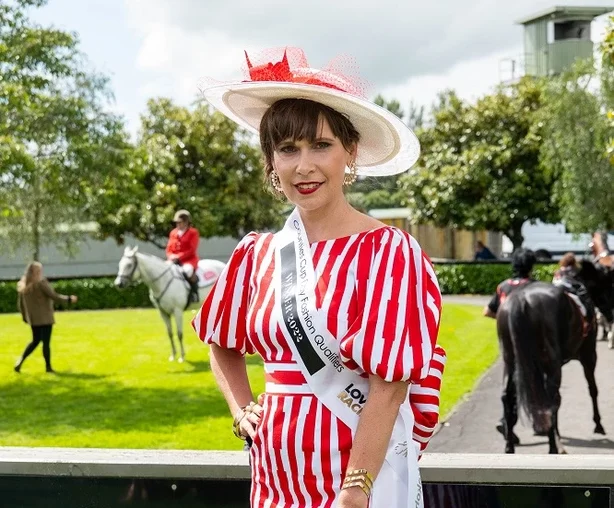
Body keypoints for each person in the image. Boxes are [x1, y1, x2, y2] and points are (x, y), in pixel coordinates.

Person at [191, 47, 446, 508]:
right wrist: (241, 409)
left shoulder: (389, 252)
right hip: (273, 479)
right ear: (272, 162)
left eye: (321, 146)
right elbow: (221, 341)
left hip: (357, 482)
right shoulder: (257, 254)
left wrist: (356, 488)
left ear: (350, 153)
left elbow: (390, 388)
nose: (303, 166)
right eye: (287, 150)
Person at [483, 248, 537, 444]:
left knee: (509, 384)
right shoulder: (535, 287)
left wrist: (505, 321)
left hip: (508, 344)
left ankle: (506, 421)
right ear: (531, 266)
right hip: (530, 344)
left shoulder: (503, 287)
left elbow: (487, 311)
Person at [14, 261, 77, 373]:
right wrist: (69, 299)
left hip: (34, 319)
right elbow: (54, 296)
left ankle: (20, 361)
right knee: (46, 343)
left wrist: (25, 317)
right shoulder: (41, 283)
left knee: (35, 341)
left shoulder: (23, 286)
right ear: (37, 272)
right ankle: (48, 367)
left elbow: (21, 305)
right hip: (45, 318)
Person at [166, 209, 200, 303]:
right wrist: (171, 256)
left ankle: (194, 294)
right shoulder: (173, 233)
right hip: (173, 260)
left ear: (186, 222)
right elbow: (169, 248)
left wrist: (178, 257)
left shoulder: (193, 232)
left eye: (179, 222)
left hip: (189, 260)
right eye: (176, 223)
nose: (177, 225)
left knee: (187, 271)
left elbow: (192, 249)